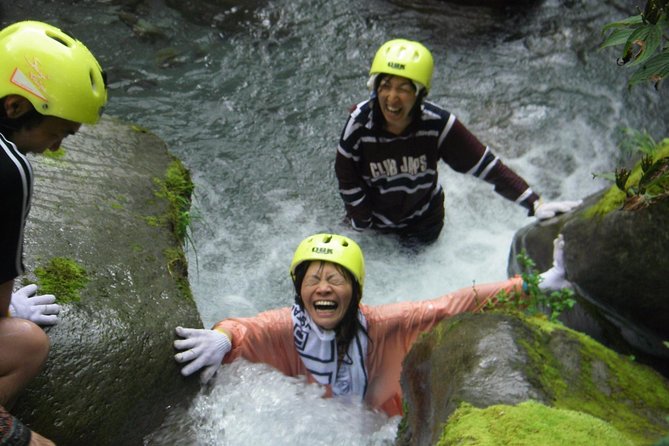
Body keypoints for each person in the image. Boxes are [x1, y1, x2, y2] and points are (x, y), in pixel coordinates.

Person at [174, 232, 569, 417]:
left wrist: (534, 285)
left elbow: (454, 304)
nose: (323, 289)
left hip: (372, 425)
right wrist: (222, 337)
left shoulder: (384, 325)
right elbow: (246, 329)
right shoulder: (286, 326)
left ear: (355, 290)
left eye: (335, 280)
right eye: (313, 280)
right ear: (299, 289)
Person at [335, 38, 581, 245]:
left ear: (419, 94)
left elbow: (487, 166)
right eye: (385, 86)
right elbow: (347, 179)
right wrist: (362, 226)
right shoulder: (358, 124)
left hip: (423, 223)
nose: (392, 98)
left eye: (404, 89)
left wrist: (534, 203)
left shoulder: (438, 124)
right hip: (373, 224)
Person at [0, 20, 107, 445]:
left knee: (26, 344)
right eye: (59, 131)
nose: (57, 147)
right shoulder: (10, 169)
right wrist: (9, 313)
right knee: (27, 340)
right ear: (14, 107)